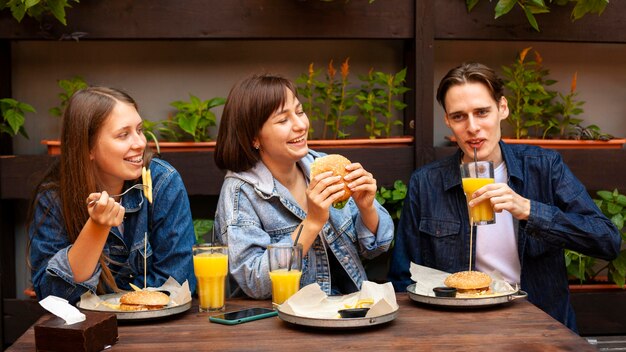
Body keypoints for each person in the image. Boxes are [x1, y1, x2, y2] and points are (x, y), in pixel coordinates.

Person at [387, 62, 621, 331]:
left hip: (539, 324)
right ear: (448, 121)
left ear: (503, 108)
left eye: (482, 112)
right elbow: (402, 279)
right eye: (459, 116)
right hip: (458, 327)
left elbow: (607, 240)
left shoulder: (544, 166)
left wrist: (530, 210)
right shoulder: (427, 182)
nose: (472, 127)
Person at [213, 73, 394, 298]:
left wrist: (367, 208)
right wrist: (312, 223)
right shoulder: (240, 193)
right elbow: (255, 282)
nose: (300, 125)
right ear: (254, 138)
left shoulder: (324, 167)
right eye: (283, 120)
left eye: (299, 112)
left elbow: (377, 247)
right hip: (281, 322)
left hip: (350, 308)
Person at [28, 87, 196, 304]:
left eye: (140, 130)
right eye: (123, 135)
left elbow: (178, 281)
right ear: (88, 147)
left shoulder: (162, 182)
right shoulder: (54, 199)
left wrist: (114, 304)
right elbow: (53, 297)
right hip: (88, 331)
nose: (140, 143)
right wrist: (96, 228)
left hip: (158, 329)